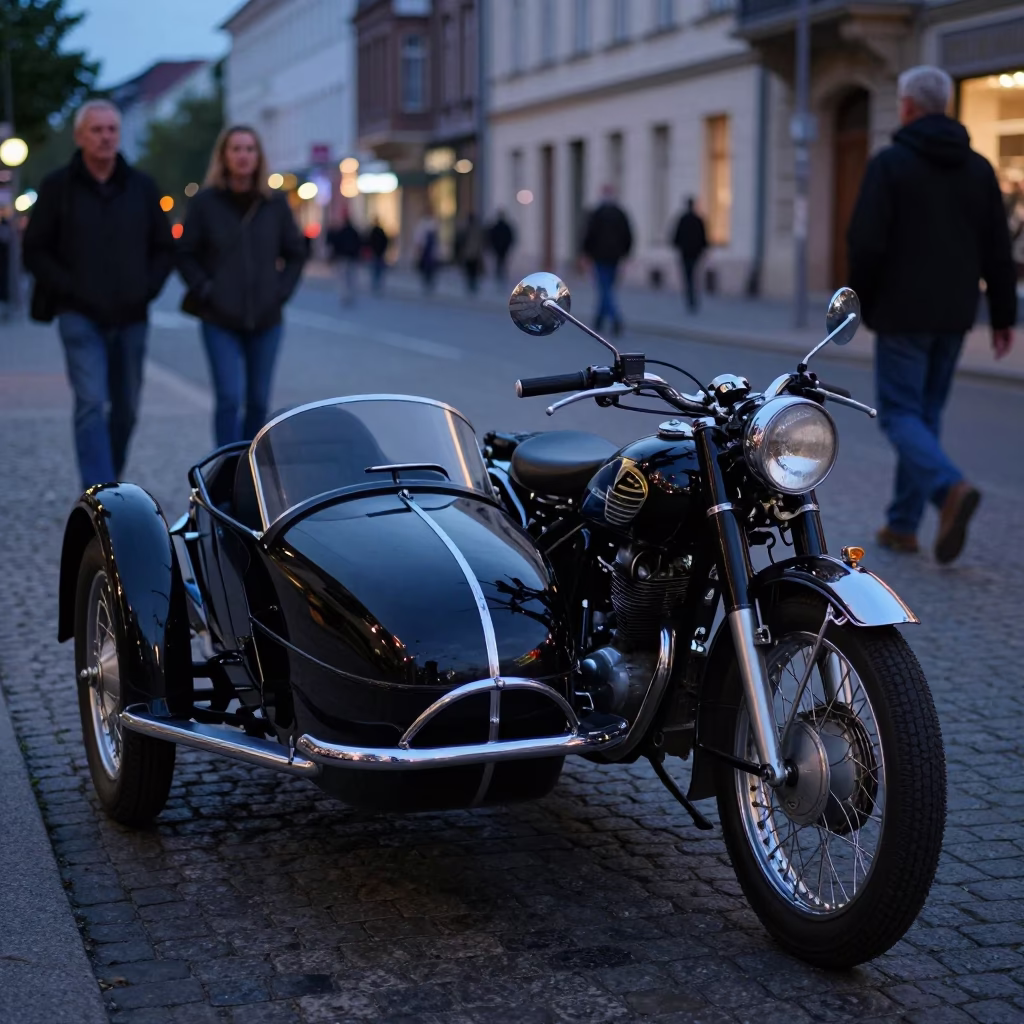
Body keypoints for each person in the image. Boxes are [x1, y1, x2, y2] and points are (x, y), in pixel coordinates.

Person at [847, 65, 1016, 565]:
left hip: (902, 313)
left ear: (906, 106)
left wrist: (861, 304)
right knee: (925, 416)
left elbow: (865, 244)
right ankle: (902, 525)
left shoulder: (890, 164)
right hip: (954, 313)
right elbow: (998, 249)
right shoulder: (979, 169)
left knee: (900, 415)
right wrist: (1004, 315)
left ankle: (948, 490)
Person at [23, 99, 174, 489]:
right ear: (80, 136)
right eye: (97, 130)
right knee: (90, 401)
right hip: (78, 313)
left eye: (112, 130)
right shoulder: (58, 187)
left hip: (131, 314)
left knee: (125, 409)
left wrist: (147, 289)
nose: (106, 137)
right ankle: (101, 494)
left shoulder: (141, 187)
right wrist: (69, 288)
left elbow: (164, 247)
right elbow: (35, 250)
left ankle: (111, 479)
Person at [177, 125, 306, 447]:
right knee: (229, 398)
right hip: (219, 317)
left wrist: (280, 292)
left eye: (250, 149)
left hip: (266, 318)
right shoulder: (206, 202)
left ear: (258, 156)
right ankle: (224, 471)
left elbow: (296, 252)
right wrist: (206, 289)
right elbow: (185, 253)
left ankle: (250, 473)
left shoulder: (274, 203)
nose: (243, 155)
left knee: (259, 402)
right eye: (236, 149)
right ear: (224, 156)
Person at [581, 185, 633, 336]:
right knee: (607, 287)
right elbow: (628, 235)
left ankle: (615, 317)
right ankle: (599, 319)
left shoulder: (597, 213)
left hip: (600, 256)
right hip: (615, 257)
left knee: (605, 288)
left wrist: (586, 253)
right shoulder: (620, 213)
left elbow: (589, 235)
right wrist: (625, 253)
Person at [672, 197, 708, 312]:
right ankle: (693, 298)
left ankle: (689, 298)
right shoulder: (698, 220)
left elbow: (676, 237)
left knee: (687, 276)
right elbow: (703, 238)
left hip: (685, 252)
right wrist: (703, 250)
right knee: (694, 275)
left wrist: (678, 246)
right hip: (695, 253)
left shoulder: (683, 220)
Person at [326, 212, 362, 306]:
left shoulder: (341, 232)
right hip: (352, 257)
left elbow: (336, 244)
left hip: (343, 257)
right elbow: (359, 243)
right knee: (351, 278)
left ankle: (345, 295)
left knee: (343, 279)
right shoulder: (354, 232)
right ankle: (350, 295)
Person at [455, 212, 485, 294]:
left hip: (469, 253)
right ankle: (472, 284)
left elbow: (461, 241)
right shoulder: (476, 230)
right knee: (472, 271)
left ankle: (471, 284)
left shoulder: (467, 229)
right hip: (473, 253)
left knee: (470, 270)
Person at [487, 210, 516, 285]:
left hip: (500, 248)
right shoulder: (505, 227)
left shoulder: (497, 227)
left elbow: (491, 237)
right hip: (503, 248)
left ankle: (500, 275)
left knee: (500, 262)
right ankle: (501, 276)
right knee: (502, 261)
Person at [414, 211, 439, 293]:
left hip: (430, 251)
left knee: (431, 268)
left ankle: (429, 282)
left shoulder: (433, 224)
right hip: (426, 250)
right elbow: (419, 237)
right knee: (426, 267)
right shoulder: (423, 224)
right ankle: (426, 282)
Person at [366, 218, 389, 292]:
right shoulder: (378, 231)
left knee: (376, 270)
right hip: (378, 253)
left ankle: (376, 285)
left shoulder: (376, 231)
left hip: (377, 253)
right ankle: (377, 285)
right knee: (377, 270)